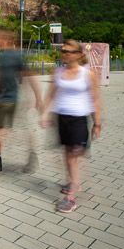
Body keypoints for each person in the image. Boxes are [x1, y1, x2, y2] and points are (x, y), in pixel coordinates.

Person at [40, 39, 102, 213]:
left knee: (73, 157)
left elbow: (95, 99)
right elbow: (50, 95)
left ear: (79, 54)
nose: (65, 54)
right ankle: (74, 183)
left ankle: (71, 198)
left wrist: (97, 123)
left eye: (69, 51)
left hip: (79, 120)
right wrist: (45, 114)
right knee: (68, 155)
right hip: (62, 118)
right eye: (63, 51)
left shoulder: (87, 74)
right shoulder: (58, 72)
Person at [0, 28, 42, 175]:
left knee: (22, 130)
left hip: (13, 100)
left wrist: (37, 97)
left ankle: (32, 156)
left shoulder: (17, 56)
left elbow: (29, 75)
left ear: (3, 38)